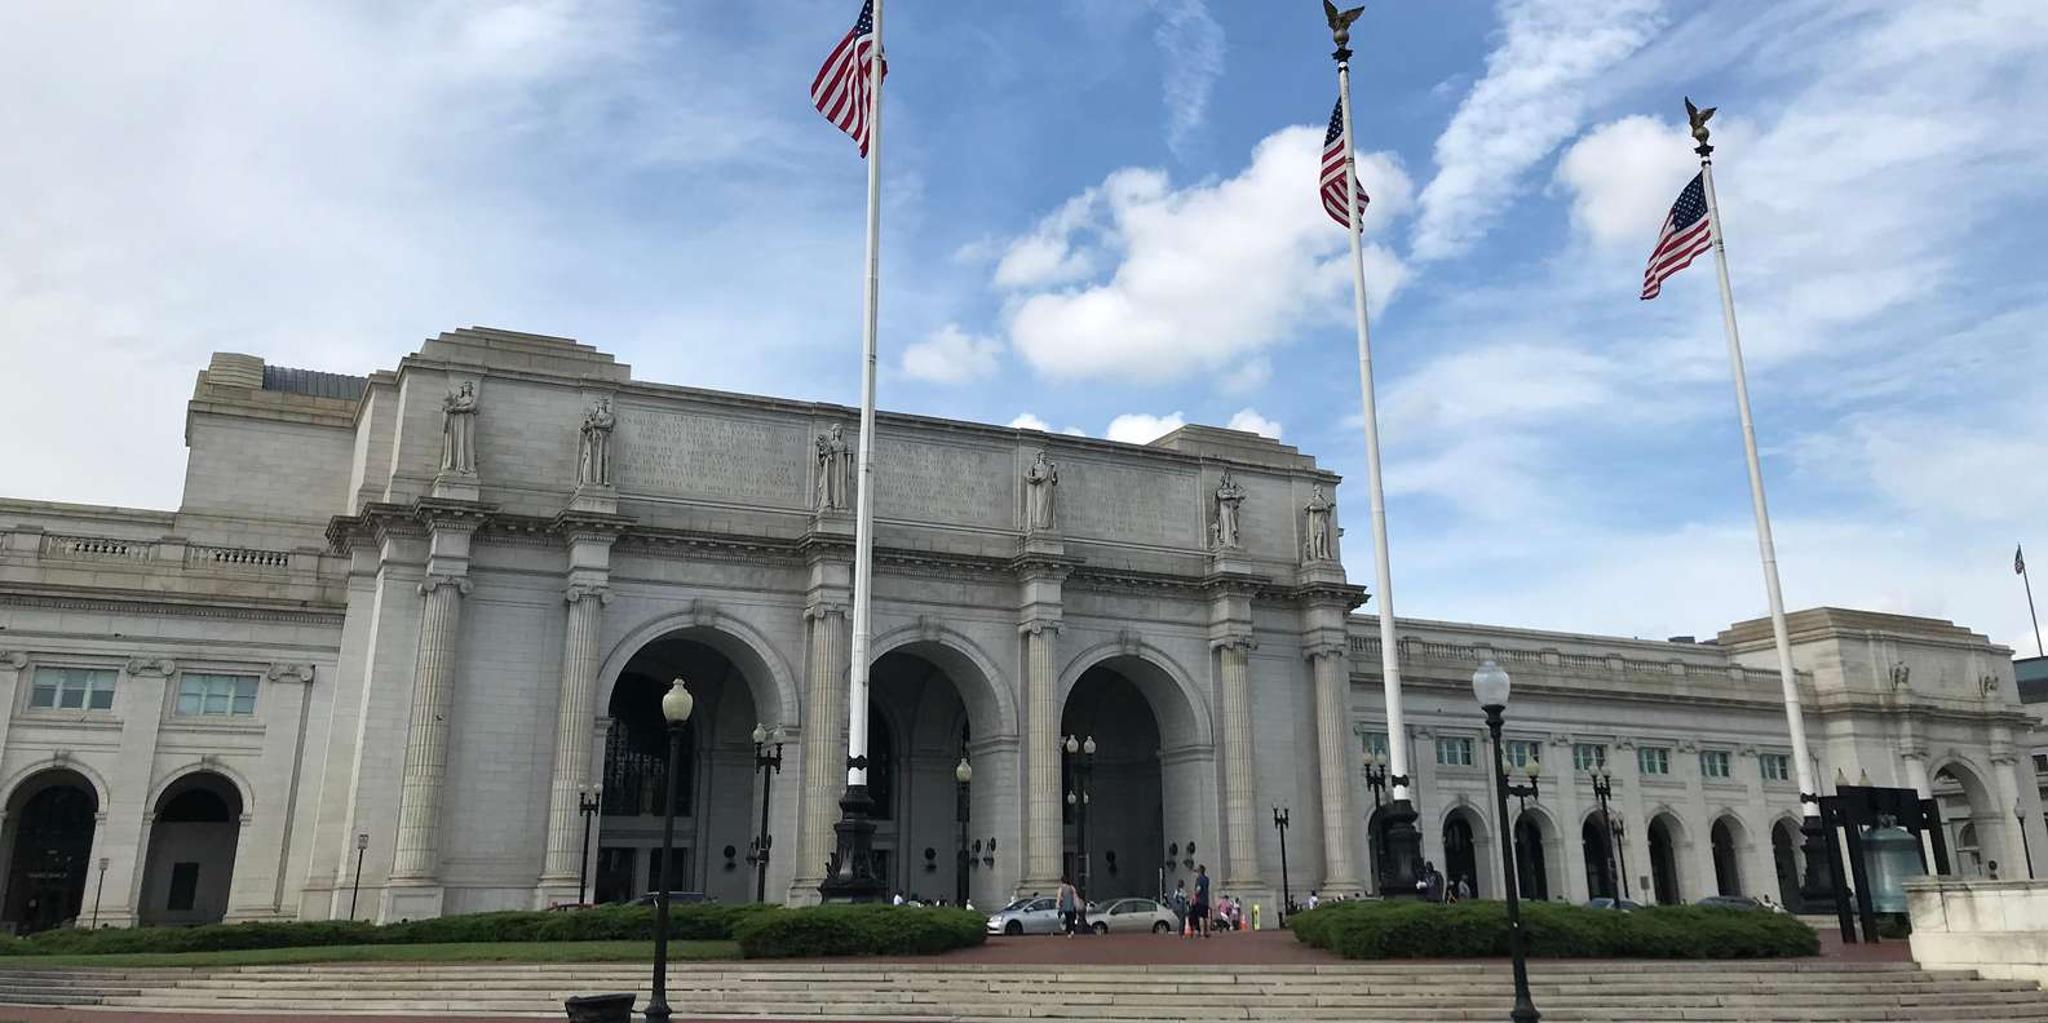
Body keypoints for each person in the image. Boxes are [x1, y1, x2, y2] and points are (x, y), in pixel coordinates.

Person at [1192, 864, 1212, 937]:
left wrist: (1194, 895)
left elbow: (1199, 889)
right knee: (1206, 917)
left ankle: (1202, 932)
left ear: (1200, 871)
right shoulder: (1206, 879)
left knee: (1201, 917)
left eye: (1197, 871)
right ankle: (1208, 931)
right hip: (1206, 900)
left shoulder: (1199, 879)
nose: (1197, 873)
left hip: (1200, 900)